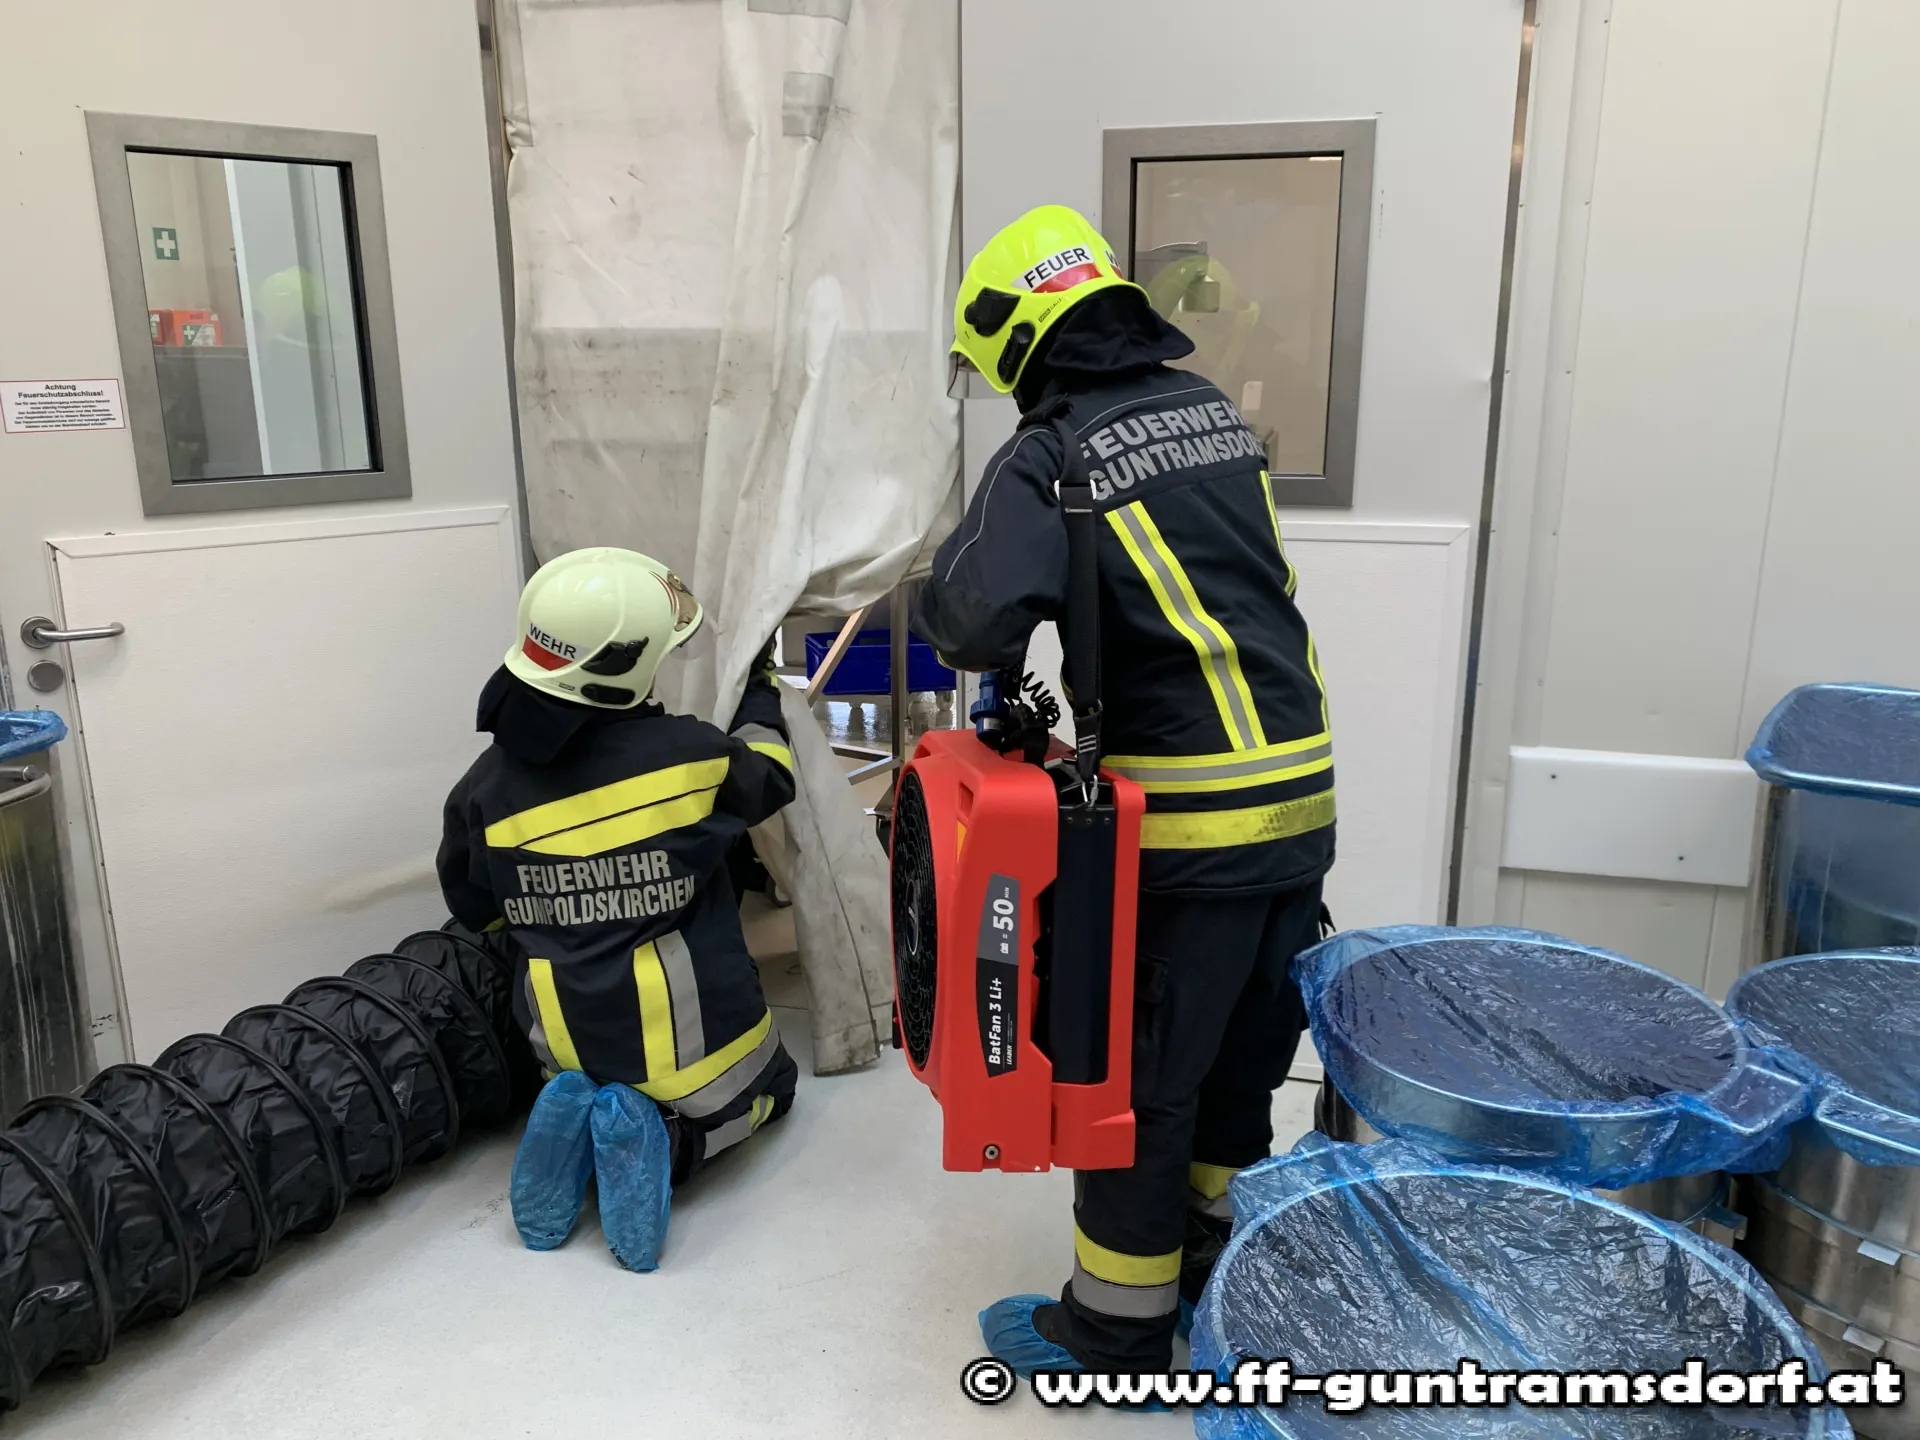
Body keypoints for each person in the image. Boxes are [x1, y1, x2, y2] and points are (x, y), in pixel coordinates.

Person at [914, 206, 1336, 1375]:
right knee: (1245, 1056)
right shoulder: (1214, 415)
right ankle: (1213, 1259)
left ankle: (1116, 1328)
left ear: (1015, 336)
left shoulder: (1054, 450)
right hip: (1302, 798)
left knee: (1142, 1080)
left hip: (1190, 823)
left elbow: (974, 619)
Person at [437, 547, 799, 1272]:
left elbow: (475, 907)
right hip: (693, 1054)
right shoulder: (689, 757)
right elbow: (772, 775)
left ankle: (573, 1115)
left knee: (575, 1056)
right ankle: (672, 1144)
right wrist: (760, 692)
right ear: (625, 670)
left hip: (563, 1042)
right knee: (773, 1091)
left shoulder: (483, 788)